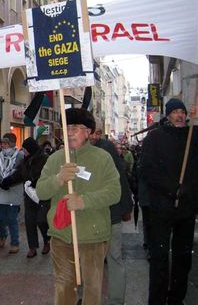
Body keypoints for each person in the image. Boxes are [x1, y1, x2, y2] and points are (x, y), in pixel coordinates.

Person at [138, 98, 198, 305]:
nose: (179, 115)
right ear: (168, 115)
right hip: (161, 209)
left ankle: (176, 299)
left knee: (183, 258)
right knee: (159, 259)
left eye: (182, 111)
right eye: (175, 112)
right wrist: (172, 188)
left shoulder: (196, 135)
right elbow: (145, 170)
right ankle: (157, 300)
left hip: (187, 209)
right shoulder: (154, 138)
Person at [36, 108, 121, 305]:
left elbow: (114, 192)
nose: (69, 131)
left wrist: (84, 201)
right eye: (66, 127)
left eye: (75, 127)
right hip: (61, 235)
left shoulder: (103, 158)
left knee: (92, 290)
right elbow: (40, 191)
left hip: (94, 236)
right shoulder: (55, 158)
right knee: (64, 287)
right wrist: (58, 179)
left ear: (88, 131)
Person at [89, 128, 134, 305]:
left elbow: (120, 182)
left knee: (94, 260)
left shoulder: (100, 152)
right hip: (110, 214)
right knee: (113, 258)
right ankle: (116, 300)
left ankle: (93, 299)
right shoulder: (110, 153)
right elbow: (122, 181)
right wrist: (127, 208)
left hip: (101, 214)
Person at [0, 133, 24, 254]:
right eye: (2, 143)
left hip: (13, 191)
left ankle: (15, 243)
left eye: (5, 143)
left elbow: (21, 173)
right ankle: (3, 235)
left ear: (11, 143)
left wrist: (9, 182)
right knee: (0, 218)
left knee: (12, 219)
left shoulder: (20, 156)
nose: (2, 145)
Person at [20, 137, 51, 258]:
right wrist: (6, 181)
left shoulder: (45, 159)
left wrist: (35, 181)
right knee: (30, 221)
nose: (24, 152)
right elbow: (19, 174)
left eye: (25, 149)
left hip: (42, 195)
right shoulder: (25, 160)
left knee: (42, 220)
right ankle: (32, 247)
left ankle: (47, 240)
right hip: (29, 196)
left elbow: (47, 174)